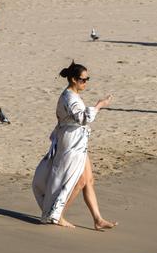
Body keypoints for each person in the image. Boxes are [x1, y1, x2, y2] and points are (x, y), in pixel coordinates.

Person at [32, 62, 116, 229]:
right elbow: (83, 118)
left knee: (89, 179)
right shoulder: (69, 97)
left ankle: (97, 219)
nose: (85, 82)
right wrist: (99, 105)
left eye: (87, 79)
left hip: (78, 141)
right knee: (79, 181)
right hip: (71, 142)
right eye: (82, 79)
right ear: (72, 79)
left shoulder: (73, 95)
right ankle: (57, 215)